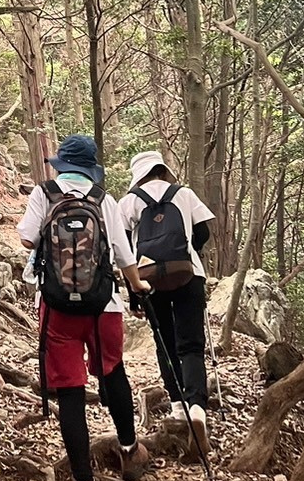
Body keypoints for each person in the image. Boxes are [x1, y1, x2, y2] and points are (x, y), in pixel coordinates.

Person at [18, 135, 152, 481]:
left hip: (56, 307)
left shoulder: (44, 193)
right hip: (102, 306)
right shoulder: (102, 199)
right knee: (113, 371)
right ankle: (128, 450)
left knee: (70, 391)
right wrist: (138, 286)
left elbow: (27, 237)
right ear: (91, 168)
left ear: (61, 164)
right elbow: (123, 254)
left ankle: (82, 474)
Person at [118, 150, 214, 455]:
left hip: (149, 279)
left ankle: (176, 406)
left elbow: (124, 250)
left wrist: (134, 294)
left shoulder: (129, 202)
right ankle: (197, 408)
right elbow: (203, 231)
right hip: (189, 274)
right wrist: (187, 253)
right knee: (192, 344)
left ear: (139, 174)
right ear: (162, 170)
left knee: (165, 343)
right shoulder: (183, 194)